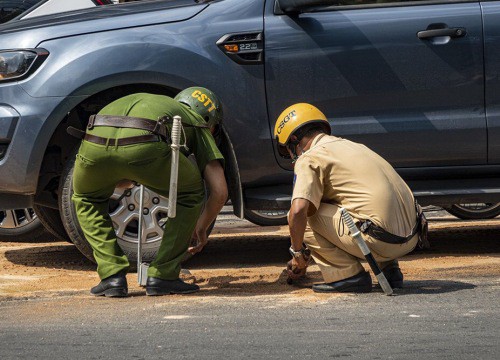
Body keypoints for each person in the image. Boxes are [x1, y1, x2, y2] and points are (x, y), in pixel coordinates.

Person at [71, 87, 228, 297]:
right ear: (210, 120)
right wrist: (200, 227)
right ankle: (164, 275)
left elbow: (121, 175)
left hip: (94, 142)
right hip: (145, 142)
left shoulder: (153, 101)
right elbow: (219, 192)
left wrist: (127, 170)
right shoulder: (196, 121)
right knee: (189, 196)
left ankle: (111, 276)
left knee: (86, 198)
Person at [274, 103, 425, 293]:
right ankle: (390, 270)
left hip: (380, 241)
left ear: (294, 140)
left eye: (288, 150)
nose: (292, 157)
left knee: (304, 216)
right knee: (359, 205)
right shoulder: (355, 146)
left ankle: (347, 275)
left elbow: (298, 212)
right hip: (411, 238)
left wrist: (297, 255)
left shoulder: (310, 157)